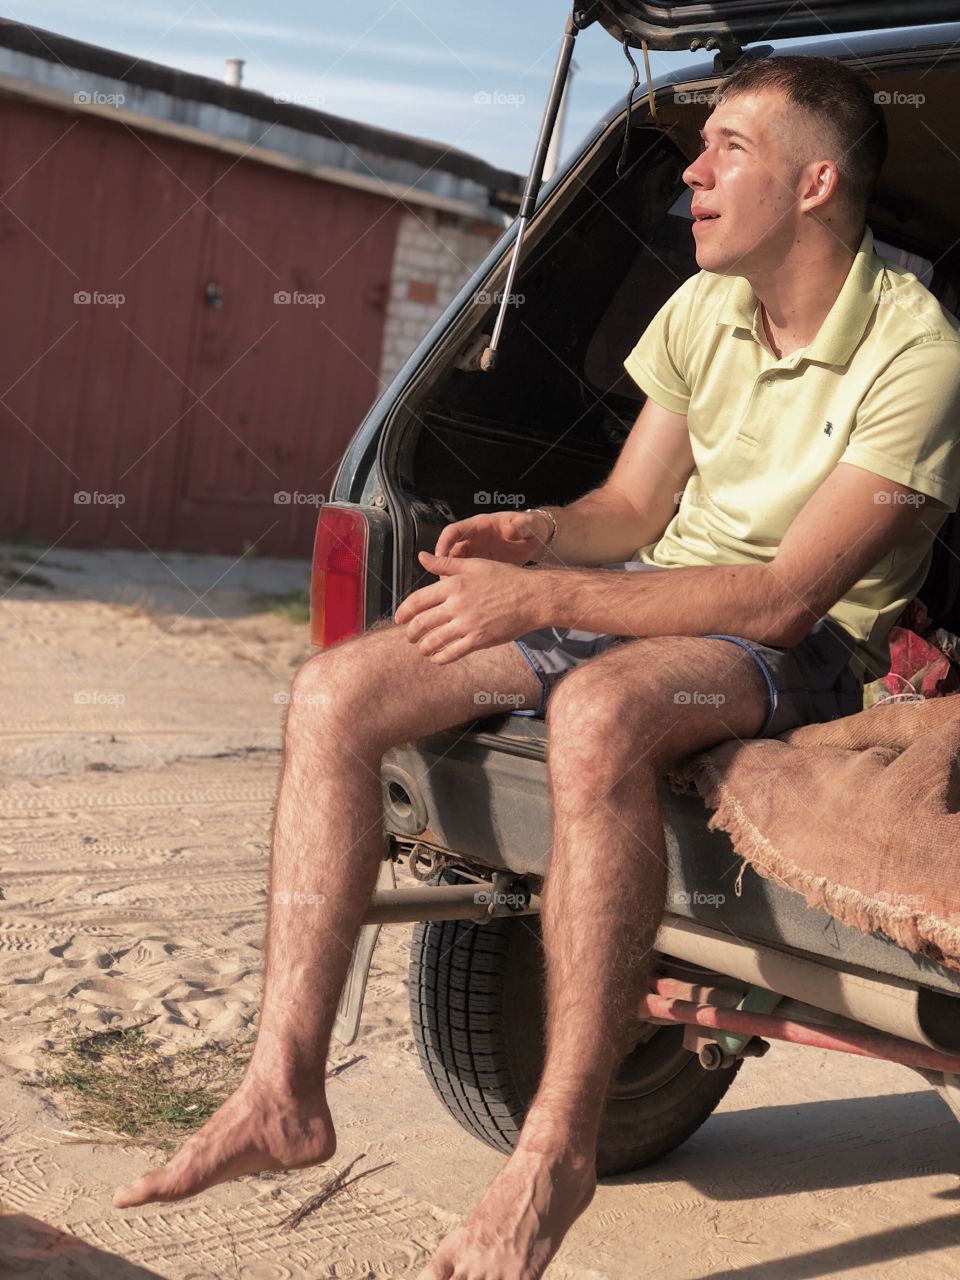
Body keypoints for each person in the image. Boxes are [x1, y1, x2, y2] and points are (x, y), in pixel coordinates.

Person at [114, 54, 960, 1280]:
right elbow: (628, 503)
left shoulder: (919, 349)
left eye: (728, 146)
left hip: (797, 650)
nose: (692, 171)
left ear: (818, 181)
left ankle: (555, 1151)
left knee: (603, 710)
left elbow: (785, 598)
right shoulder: (700, 309)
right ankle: (281, 1090)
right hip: (645, 598)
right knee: (334, 692)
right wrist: (540, 535)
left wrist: (551, 594)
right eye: (697, 144)